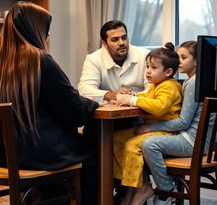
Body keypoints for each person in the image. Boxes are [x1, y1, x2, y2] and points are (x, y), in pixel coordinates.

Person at [0, 1, 99, 205]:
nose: (48, 36)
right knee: (90, 151)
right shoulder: (40, 60)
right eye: (46, 30)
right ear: (37, 30)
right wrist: (91, 102)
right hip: (31, 156)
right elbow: (76, 112)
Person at [139, 41, 214, 205]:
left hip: (192, 142)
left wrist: (149, 127)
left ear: (196, 61)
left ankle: (167, 191)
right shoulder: (196, 80)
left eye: (183, 57)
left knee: (149, 144)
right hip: (203, 142)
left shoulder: (194, 82)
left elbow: (183, 122)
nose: (178, 61)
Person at [113, 42, 182, 205]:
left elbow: (159, 107)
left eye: (153, 68)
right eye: (147, 67)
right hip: (150, 129)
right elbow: (147, 98)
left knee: (131, 145)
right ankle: (130, 185)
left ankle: (141, 187)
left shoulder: (169, 86)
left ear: (168, 72)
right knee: (116, 138)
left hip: (165, 132)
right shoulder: (156, 85)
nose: (148, 71)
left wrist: (133, 100)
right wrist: (133, 96)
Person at [78, 20, 150, 101]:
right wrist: (111, 95)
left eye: (124, 38)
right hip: (109, 110)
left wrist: (132, 97)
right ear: (104, 44)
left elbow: (153, 88)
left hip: (140, 108)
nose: (121, 43)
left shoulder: (145, 55)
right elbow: (84, 90)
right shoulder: (94, 59)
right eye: (115, 39)